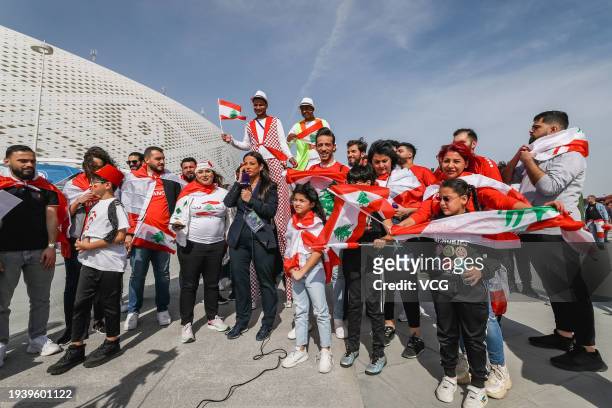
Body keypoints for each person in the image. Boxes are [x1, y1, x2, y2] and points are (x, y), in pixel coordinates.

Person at [502, 110, 606, 372]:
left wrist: (529, 160)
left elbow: (549, 188)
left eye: (536, 126)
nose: (531, 130)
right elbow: (506, 178)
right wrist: (522, 156)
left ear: (554, 129)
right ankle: (563, 335)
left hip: (557, 231)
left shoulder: (572, 155)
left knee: (573, 290)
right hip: (534, 229)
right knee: (555, 288)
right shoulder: (537, 155)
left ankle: (588, 350)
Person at [423, 179, 501, 408]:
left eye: (447, 199)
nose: (442, 203)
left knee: (474, 339)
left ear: (464, 199)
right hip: (443, 292)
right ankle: (449, 375)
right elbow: (423, 250)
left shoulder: (480, 224)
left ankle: (478, 385)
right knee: (446, 335)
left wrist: (482, 270)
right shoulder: (434, 224)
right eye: (440, 198)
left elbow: (499, 255)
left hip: (472, 294)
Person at [47, 164, 128, 374]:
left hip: (109, 263)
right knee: (80, 303)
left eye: (95, 183)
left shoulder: (115, 205)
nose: (91, 185)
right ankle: (76, 346)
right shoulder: (96, 204)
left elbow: (120, 236)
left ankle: (112, 342)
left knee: (110, 304)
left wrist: (89, 245)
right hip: (90, 262)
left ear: (107, 185)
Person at [221, 90, 296, 307]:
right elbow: (247, 145)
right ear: (252, 105)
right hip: (257, 168)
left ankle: (289, 293)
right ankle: (253, 295)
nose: (258, 107)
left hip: (273, 164)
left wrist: (289, 160)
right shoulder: (249, 125)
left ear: (266, 104)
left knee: (282, 228)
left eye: (261, 103)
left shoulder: (275, 121)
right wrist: (231, 140)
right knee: (253, 227)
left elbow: (282, 143)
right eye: (255, 104)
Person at [0, 145, 67, 367]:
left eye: (32, 161)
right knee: (2, 302)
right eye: (23, 161)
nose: (29, 164)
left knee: (41, 299)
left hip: (40, 252)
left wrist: (50, 246)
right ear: (7, 161)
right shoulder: (4, 188)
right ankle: (1, 343)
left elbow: (52, 218)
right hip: (6, 253)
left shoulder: (45, 188)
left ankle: (37, 338)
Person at [57, 146, 115, 345]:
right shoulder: (73, 184)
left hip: (101, 240)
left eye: (99, 167)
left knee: (101, 283)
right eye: (91, 166)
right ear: (85, 165)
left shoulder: (110, 184)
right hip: (77, 240)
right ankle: (71, 328)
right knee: (73, 285)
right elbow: (64, 215)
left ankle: (99, 320)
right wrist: (79, 201)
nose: (94, 171)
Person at [122, 146, 183, 330]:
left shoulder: (171, 178)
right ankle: (133, 310)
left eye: (163, 158)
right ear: (147, 160)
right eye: (158, 158)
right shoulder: (132, 179)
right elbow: (125, 207)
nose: (162, 162)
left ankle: (162, 308)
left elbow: (183, 201)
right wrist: (128, 233)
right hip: (140, 237)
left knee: (163, 275)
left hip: (162, 237)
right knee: (137, 275)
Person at [339, 164, 391, 376]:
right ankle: (352, 349)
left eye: (365, 182)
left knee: (374, 308)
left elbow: (392, 232)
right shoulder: (345, 205)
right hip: (352, 258)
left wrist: (383, 240)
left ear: (372, 184)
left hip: (373, 260)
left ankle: (378, 353)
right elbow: (338, 230)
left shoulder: (380, 203)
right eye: (355, 183)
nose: (359, 187)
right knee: (353, 306)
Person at [170, 161, 229, 343]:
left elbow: (230, 217)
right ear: (196, 174)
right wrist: (177, 224)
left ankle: (212, 317)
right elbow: (177, 216)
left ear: (213, 174)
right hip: (192, 246)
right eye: (201, 172)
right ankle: (186, 324)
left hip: (216, 245)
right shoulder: (188, 193)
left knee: (212, 284)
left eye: (208, 172)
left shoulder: (223, 194)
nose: (205, 175)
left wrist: (229, 240)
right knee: (189, 286)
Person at [224, 152, 279, 341]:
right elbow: (228, 202)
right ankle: (241, 321)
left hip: (261, 238)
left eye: (252, 163)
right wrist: (239, 183)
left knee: (266, 282)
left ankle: (268, 322)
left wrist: (251, 200)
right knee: (240, 282)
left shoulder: (270, 186)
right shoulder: (241, 185)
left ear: (261, 167)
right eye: (245, 163)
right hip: (239, 240)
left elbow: (270, 211)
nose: (247, 166)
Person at [281, 183, 333, 373]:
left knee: (321, 311)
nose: (297, 203)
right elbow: (289, 246)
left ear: (312, 204)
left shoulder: (317, 223)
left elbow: (318, 251)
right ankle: (300, 349)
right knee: (301, 310)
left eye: (302, 200)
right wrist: (291, 267)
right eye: (295, 200)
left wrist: (302, 271)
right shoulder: (291, 221)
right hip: (295, 271)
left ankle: (326, 350)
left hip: (312, 271)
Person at [307, 127, 349, 338]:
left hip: (338, 230)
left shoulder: (344, 171)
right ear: (315, 147)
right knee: (313, 273)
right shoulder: (310, 171)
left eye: (327, 145)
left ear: (334, 147)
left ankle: (338, 318)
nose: (323, 148)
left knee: (337, 276)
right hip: (315, 230)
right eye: (320, 145)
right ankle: (311, 318)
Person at [286, 97, 331, 170]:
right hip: (303, 165)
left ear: (312, 109)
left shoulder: (322, 123)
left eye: (306, 108)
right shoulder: (296, 127)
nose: (304, 111)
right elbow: (286, 147)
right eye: (302, 109)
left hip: (322, 161)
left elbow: (331, 142)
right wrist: (288, 140)